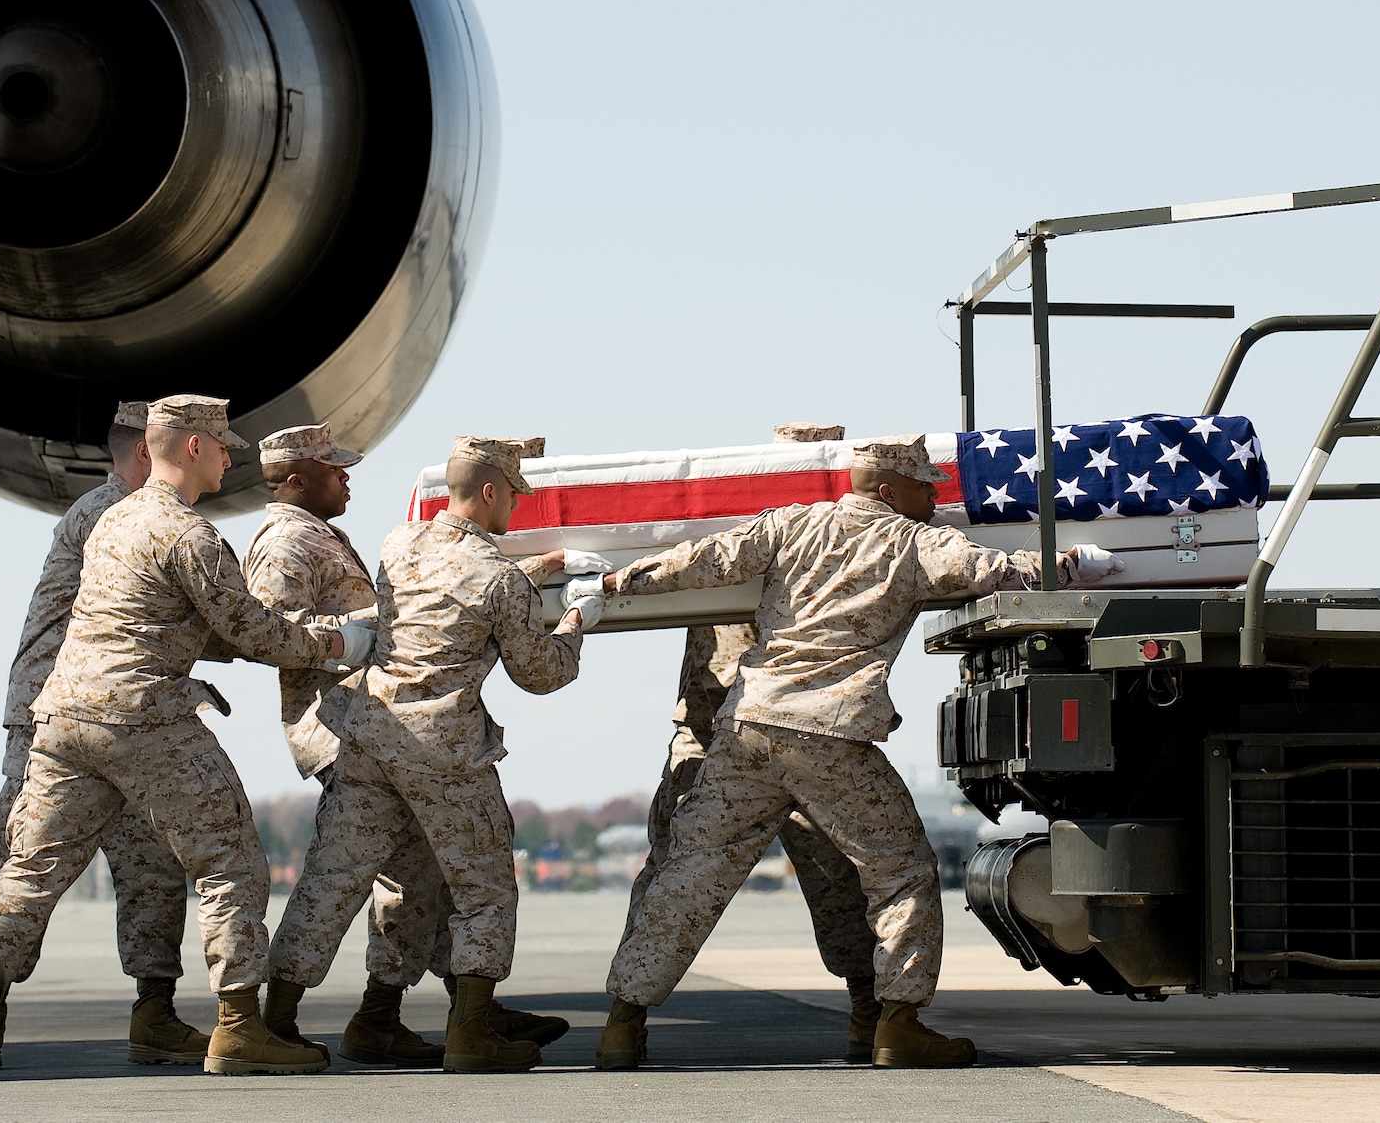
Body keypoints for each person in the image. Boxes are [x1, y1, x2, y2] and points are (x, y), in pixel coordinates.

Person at [578, 435, 1120, 1071]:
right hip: (830, 735)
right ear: (888, 489)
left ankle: (622, 1025)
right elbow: (997, 571)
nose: (936, 497)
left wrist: (613, 581)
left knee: (689, 873)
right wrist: (1074, 562)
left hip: (747, 728)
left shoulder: (791, 524)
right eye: (926, 486)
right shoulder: (913, 543)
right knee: (902, 871)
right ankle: (899, 1023)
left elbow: (703, 560)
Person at [0, 396, 367, 1081]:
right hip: (141, 715)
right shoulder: (187, 534)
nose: (230, 457)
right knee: (229, 860)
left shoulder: (115, 520)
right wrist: (339, 640)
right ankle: (240, 1027)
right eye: (222, 445)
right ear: (191, 448)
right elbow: (252, 632)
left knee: (29, 873)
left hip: (65, 718)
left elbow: (157, 616)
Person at [265, 436, 602, 1074]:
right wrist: (578, 619)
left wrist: (531, 575)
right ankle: (473, 1033)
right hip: (443, 752)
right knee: (484, 888)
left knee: (332, 882)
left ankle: (272, 1022)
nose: (514, 515)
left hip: (368, 738)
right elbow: (540, 674)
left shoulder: (401, 544)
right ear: (493, 491)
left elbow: (439, 600)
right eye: (513, 500)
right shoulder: (497, 579)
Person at [622, 424, 884, 1060]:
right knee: (673, 877)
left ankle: (867, 1008)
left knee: (842, 874)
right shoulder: (741, 530)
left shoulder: (837, 543)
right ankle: (624, 1020)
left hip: (802, 734)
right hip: (716, 735)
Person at [0, 402, 204, 1072]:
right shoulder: (114, 517)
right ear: (146, 456)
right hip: (58, 717)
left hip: (108, 717)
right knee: (29, 868)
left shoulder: (123, 517)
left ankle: (153, 1014)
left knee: (154, 867)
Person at [241, 423, 448, 1066]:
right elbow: (267, 633)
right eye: (336, 470)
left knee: (415, 873)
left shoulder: (317, 534)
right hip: (344, 734)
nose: (347, 478)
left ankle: (380, 1015)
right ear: (299, 479)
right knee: (338, 877)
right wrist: (355, 632)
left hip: (375, 732)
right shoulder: (286, 542)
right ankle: (275, 1021)